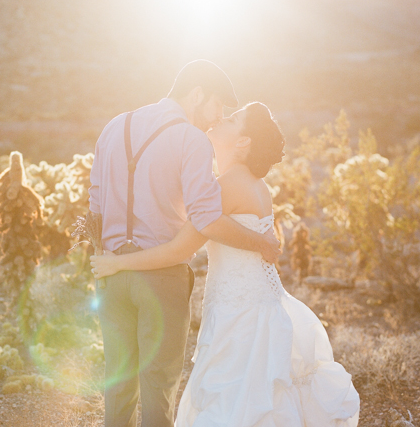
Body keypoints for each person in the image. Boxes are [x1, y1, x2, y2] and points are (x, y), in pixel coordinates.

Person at [91, 102, 360, 426]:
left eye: (232, 119)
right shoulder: (255, 185)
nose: (219, 118)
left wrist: (117, 265)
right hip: (257, 302)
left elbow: (179, 250)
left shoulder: (225, 186)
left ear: (243, 141)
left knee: (237, 401)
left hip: (240, 312)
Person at [88, 60, 282, 427]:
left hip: (110, 274)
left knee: (117, 388)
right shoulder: (190, 138)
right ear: (196, 94)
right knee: (159, 389)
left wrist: (104, 260)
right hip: (161, 278)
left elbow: (95, 204)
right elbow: (207, 219)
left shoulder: (114, 126)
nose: (217, 118)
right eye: (217, 107)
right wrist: (261, 242)